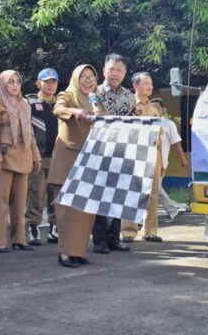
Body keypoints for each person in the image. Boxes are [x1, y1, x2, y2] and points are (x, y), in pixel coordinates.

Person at [49, 64, 105, 268]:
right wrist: (75, 112)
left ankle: (78, 252)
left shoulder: (96, 99)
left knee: (86, 209)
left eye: (91, 77)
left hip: (89, 158)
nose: (88, 80)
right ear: (75, 78)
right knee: (67, 210)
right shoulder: (68, 94)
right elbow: (58, 109)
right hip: (68, 158)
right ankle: (64, 253)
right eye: (83, 77)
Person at [0, 70, 42, 253]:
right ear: (2, 84)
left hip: (24, 155)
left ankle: (19, 239)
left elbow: (30, 133)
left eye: (17, 82)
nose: (14, 85)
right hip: (4, 155)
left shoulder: (24, 104)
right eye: (10, 81)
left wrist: (36, 155)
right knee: (1, 201)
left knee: (20, 202)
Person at [91, 53, 134, 254]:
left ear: (125, 73)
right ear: (103, 71)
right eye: (111, 69)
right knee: (100, 195)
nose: (114, 73)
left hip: (122, 149)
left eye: (119, 70)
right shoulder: (94, 92)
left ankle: (114, 238)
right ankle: (99, 239)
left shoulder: (129, 96)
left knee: (118, 195)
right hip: (100, 149)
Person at [121, 72, 164, 243]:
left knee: (153, 194)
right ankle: (128, 231)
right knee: (132, 191)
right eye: (146, 83)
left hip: (153, 154)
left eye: (151, 84)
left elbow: (159, 137)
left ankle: (150, 231)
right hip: (134, 153)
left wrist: (160, 160)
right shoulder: (128, 105)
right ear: (135, 85)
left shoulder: (154, 110)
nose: (150, 87)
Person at [25, 68, 59, 246]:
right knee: (35, 193)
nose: (50, 85)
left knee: (56, 193)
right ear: (38, 83)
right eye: (47, 81)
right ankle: (33, 226)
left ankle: (54, 227)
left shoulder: (60, 104)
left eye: (54, 81)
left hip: (57, 156)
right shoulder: (29, 101)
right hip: (37, 155)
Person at [150, 98, 189, 223]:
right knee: (154, 188)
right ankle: (170, 209)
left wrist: (183, 160)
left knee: (155, 188)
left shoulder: (168, 124)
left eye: (157, 107)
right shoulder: (147, 123)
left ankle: (171, 209)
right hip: (146, 162)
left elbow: (177, 143)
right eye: (152, 107)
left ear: (163, 109)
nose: (154, 110)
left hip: (161, 163)